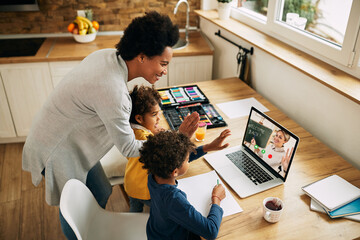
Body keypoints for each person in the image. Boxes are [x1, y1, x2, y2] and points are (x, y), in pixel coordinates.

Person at [22, 11, 199, 240]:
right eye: (163, 63)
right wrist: (177, 139)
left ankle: (92, 224)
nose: (165, 70)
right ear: (142, 56)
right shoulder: (113, 91)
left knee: (101, 191)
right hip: (56, 149)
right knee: (74, 211)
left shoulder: (108, 57)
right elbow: (128, 148)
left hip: (66, 139)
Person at [124, 85, 231, 212]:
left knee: (134, 211)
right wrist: (182, 137)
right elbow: (175, 157)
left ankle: (131, 218)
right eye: (154, 115)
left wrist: (208, 147)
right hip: (146, 191)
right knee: (161, 214)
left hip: (130, 184)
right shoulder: (147, 139)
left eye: (159, 113)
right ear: (139, 118)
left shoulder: (131, 132)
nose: (158, 118)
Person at [139, 131, 226, 240]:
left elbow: (177, 160)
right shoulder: (173, 199)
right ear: (174, 172)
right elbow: (211, 231)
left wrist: (207, 147)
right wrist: (216, 199)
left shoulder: (153, 172)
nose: (189, 160)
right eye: (187, 160)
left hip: (157, 232)